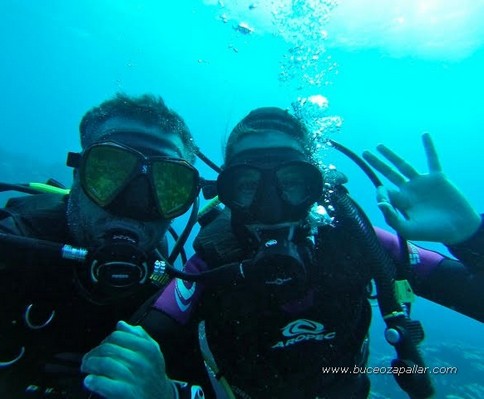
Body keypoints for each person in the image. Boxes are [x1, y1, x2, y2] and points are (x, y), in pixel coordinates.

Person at [80, 107, 483, 399]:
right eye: (247, 185)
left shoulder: (359, 240)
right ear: (226, 190)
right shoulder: (210, 264)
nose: (271, 205)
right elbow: (129, 363)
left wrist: (470, 236)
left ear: (318, 186)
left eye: (292, 182)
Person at [0, 93, 202, 398]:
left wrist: (166, 393)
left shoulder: (170, 297)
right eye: (109, 171)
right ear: (77, 175)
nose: (133, 204)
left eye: (167, 185)